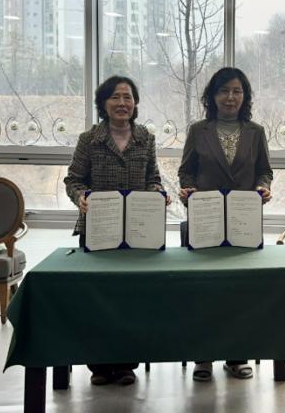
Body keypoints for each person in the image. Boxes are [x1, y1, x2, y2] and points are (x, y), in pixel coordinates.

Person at [64, 75, 170, 386]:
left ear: (135, 103)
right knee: (97, 299)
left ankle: (126, 364)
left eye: (128, 97)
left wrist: (157, 193)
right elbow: (73, 180)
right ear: (103, 103)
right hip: (98, 228)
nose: (122, 103)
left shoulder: (146, 138)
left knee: (131, 300)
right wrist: (80, 196)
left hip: (138, 230)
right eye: (115, 97)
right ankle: (98, 366)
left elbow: (153, 179)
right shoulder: (89, 139)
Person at [178, 67, 273, 382]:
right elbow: (186, 171)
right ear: (212, 95)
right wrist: (188, 189)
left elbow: (265, 171)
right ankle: (203, 358)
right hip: (205, 221)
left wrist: (262, 187)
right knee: (204, 292)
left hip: (244, 221)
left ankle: (237, 356)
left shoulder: (256, 132)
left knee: (240, 292)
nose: (230, 97)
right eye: (224, 91)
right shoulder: (198, 130)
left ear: (245, 96)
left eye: (237, 91)